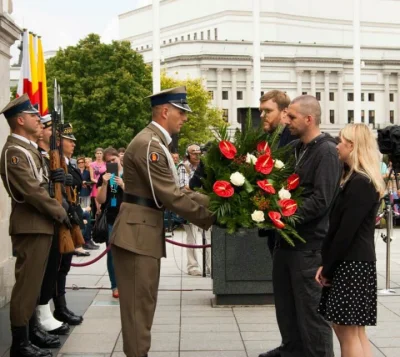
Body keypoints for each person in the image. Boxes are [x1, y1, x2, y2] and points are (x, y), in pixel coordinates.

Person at [110, 86, 214, 357]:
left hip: (142, 233)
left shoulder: (156, 143)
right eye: (181, 112)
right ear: (165, 111)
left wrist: (216, 202)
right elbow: (171, 195)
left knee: (143, 307)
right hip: (136, 236)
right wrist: (214, 216)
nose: (185, 118)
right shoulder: (149, 145)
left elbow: (180, 191)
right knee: (137, 312)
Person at [268, 95, 341, 357]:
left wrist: (284, 215)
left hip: (309, 247)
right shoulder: (298, 148)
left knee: (312, 316)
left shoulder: (327, 151)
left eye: (292, 117)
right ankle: (292, 350)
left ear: (309, 119)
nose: (286, 120)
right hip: (285, 243)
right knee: (287, 310)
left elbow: (321, 200)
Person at [0, 94, 70, 357]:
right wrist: (58, 210)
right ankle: (20, 342)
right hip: (30, 225)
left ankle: (31, 330)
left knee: (35, 283)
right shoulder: (14, 153)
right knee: (27, 285)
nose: (38, 120)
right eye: (32, 116)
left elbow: (42, 184)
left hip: (40, 224)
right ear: (19, 120)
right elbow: (31, 191)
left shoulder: (27, 149)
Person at [316, 123, 385, 357]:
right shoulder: (359, 180)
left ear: (352, 146)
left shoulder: (359, 183)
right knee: (354, 331)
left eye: (341, 141)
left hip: (351, 264)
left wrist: (328, 267)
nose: (337, 146)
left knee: (346, 331)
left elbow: (345, 232)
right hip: (356, 263)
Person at [35, 114, 71, 337]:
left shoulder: (52, 157)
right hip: (42, 219)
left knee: (56, 266)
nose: (55, 136)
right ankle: (39, 315)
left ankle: (50, 309)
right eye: (51, 131)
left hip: (56, 218)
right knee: (43, 271)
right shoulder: (36, 156)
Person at [257, 90, 297, 263]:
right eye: (261, 111)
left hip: (289, 224)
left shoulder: (293, 138)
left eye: (267, 111)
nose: (262, 115)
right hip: (273, 224)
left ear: (284, 112)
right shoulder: (268, 138)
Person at [52, 124, 85, 326]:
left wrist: (71, 178)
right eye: (69, 140)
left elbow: (79, 180)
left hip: (69, 216)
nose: (73, 143)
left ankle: (61, 306)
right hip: (60, 217)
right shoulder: (52, 160)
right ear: (58, 141)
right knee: (57, 266)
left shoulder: (67, 162)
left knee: (64, 265)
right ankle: (57, 308)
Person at [96, 147, 125, 298]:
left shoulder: (129, 174)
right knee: (112, 253)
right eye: (108, 162)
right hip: (112, 217)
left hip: (128, 218)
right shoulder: (105, 176)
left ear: (119, 158)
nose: (111, 163)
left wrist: (122, 185)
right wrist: (106, 184)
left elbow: (136, 196)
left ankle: (127, 283)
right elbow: (100, 200)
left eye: (113, 160)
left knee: (128, 252)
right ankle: (115, 285)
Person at [177, 144, 205, 276]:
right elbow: (183, 187)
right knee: (192, 237)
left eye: (199, 152)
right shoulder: (183, 167)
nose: (197, 155)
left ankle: (210, 266)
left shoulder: (204, 165)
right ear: (188, 154)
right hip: (191, 205)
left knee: (209, 238)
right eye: (194, 153)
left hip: (205, 206)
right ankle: (193, 266)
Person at [89, 148, 106, 215]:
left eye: (100, 153)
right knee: (98, 208)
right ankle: (97, 222)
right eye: (97, 153)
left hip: (104, 184)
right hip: (96, 185)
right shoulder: (92, 164)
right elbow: (91, 178)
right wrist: (98, 182)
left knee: (103, 204)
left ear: (103, 154)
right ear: (95, 155)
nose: (99, 155)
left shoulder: (106, 163)